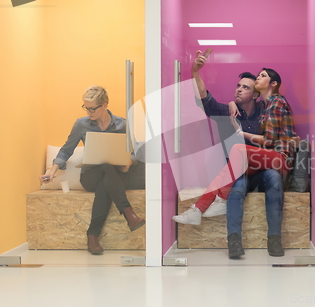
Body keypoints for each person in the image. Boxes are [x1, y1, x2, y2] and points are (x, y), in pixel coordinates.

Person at [173, 55, 297, 257]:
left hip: (265, 168)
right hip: (238, 172)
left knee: (273, 176)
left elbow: (276, 135)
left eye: (246, 87)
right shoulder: (227, 112)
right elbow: (203, 96)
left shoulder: (267, 109)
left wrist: (243, 134)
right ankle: (234, 241)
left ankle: (274, 239)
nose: (239, 89)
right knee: (236, 186)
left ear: (256, 94)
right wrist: (195, 71)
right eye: (238, 86)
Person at [39, 86, 145, 255]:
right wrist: (52, 171)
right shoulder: (81, 125)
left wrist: (129, 162)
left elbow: (138, 150)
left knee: (107, 179)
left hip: (117, 176)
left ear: (105, 105)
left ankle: (92, 235)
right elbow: (66, 150)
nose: (88, 112)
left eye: (92, 108)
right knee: (104, 167)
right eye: (86, 107)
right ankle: (128, 213)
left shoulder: (122, 124)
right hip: (90, 176)